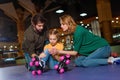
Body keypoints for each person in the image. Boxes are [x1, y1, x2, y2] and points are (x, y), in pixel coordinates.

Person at [50, 14, 120, 67]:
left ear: (68, 23)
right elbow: (80, 49)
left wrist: (58, 51)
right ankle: (107, 57)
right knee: (77, 61)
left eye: (63, 24)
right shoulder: (75, 31)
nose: (61, 26)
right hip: (96, 50)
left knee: (85, 62)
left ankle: (111, 60)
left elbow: (75, 52)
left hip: (103, 48)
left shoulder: (78, 32)